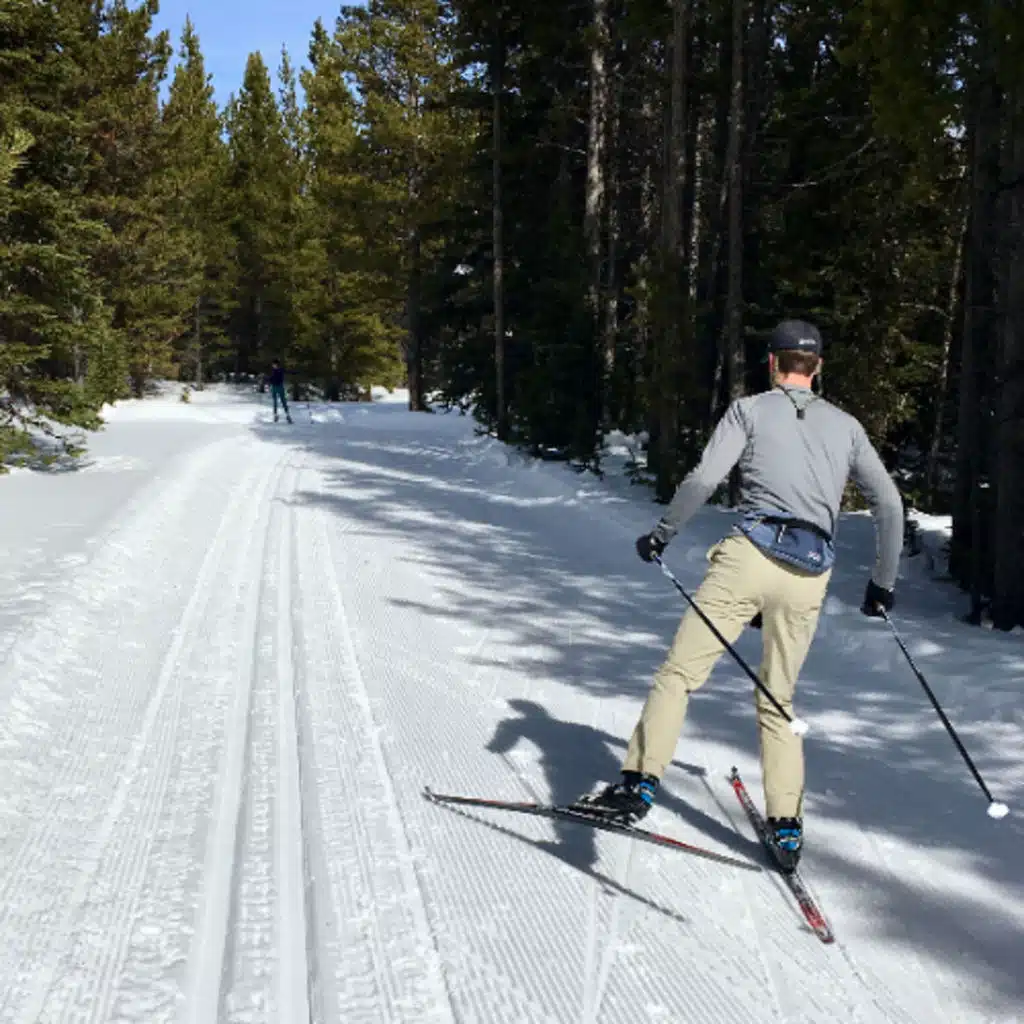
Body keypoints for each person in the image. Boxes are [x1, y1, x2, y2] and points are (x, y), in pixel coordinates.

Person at [580, 320, 904, 872]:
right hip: (809, 573)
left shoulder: (748, 411)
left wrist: (663, 534)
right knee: (778, 698)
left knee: (679, 675)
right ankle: (787, 826)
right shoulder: (847, 426)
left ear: (773, 363)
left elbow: (704, 480)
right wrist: (883, 584)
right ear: (817, 367)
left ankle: (638, 784)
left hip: (748, 557)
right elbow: (890, 506)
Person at [268, 359, 292, 424]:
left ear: (276, 364)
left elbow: (275, 378)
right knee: (275, 402)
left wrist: (269, 379)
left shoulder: (279, 370)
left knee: (283, 401)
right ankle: (276, 415)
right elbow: (272, 378)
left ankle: (287, 415)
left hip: (279, 387)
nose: (273, 365)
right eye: (273, 364)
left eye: (273, 364)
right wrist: (268, 379)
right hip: (274, 387)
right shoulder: (274, 370)